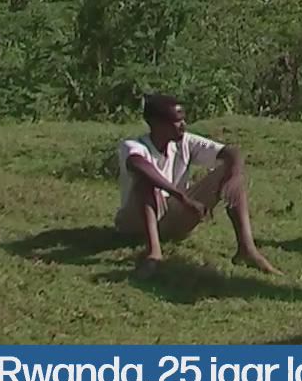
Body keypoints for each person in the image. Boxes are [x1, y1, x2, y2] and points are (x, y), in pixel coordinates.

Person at [114, 94, 279, 278]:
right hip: (135, 222)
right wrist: (182, 197)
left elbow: (231, 152)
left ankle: (247, 249)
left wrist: (234, 176)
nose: (183, 125)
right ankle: (154, 253)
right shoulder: (133, 146)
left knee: (231, 171)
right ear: (156, 123)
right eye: (176, 121)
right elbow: (138, 165)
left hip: (174, 218)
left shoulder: (184, 142)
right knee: (146, 181)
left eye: (183, 120)